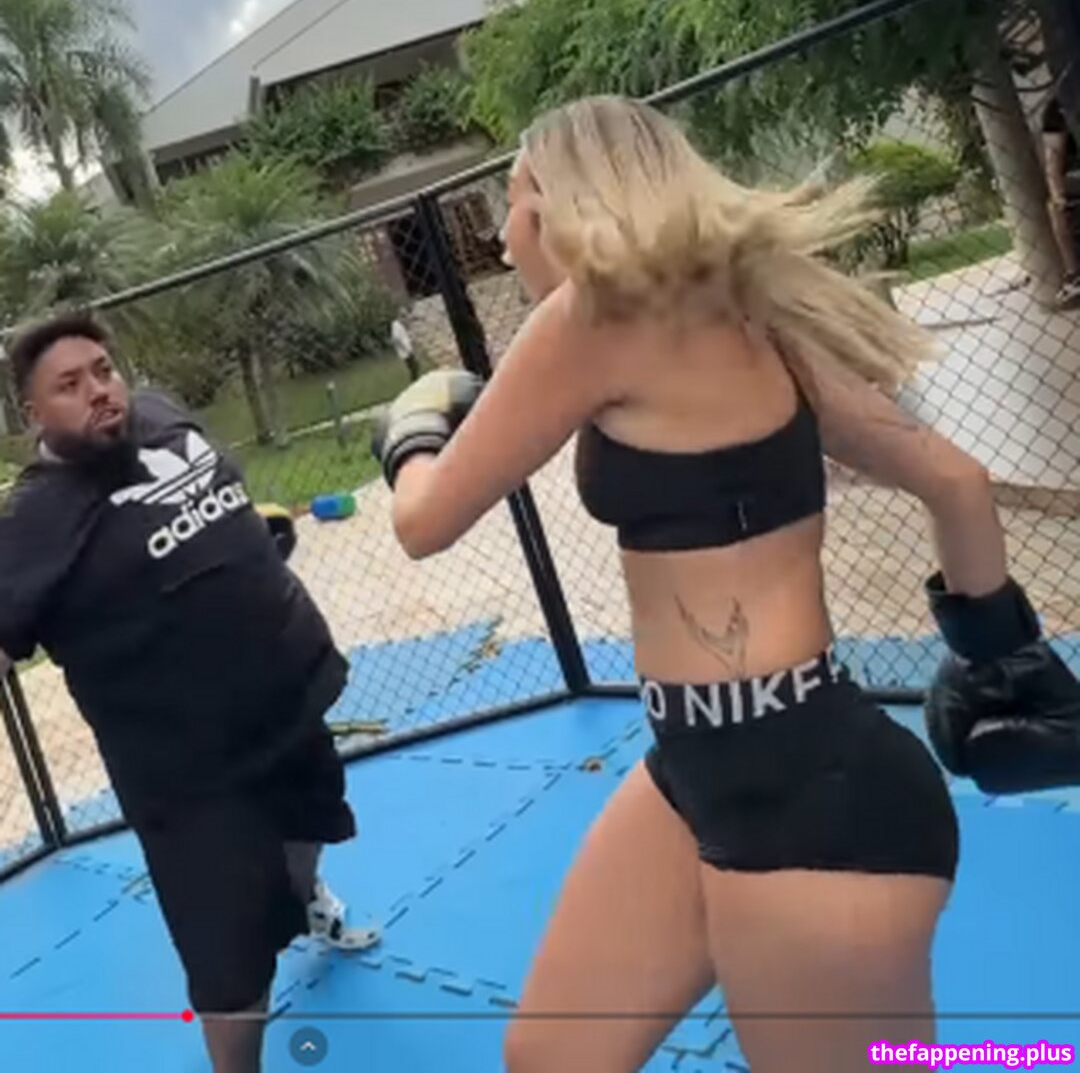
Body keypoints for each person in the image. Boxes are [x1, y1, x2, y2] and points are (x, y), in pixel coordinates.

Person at [371, 96, 1080, 1071]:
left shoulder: (588, 316)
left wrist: (411, 433)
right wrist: (996, 654)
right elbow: (955, 482)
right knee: (551, 1054)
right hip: (705, 766)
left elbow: (424, 521)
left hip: (806, 799)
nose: (502, 233)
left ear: (567, 201)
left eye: (515, 198)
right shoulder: (753, 319)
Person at [0, 312, 380, 1073]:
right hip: (191, 777)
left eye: (103, 370)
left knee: (310, 822)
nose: (99, 391)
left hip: (291, 695)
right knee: (231, 964)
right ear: (33, 414)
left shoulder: (162, 413)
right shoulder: (33, 522)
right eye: (69, 385)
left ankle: (306, 900)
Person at [1041, 89, 1080, 308]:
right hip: (1075, 174)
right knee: (1054, 207)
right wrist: (1058, 197)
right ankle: (1074, 274)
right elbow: (1052, 161)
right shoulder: (1057, 108)